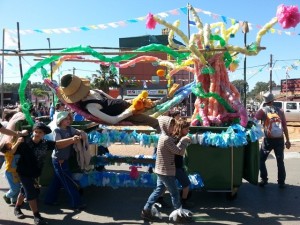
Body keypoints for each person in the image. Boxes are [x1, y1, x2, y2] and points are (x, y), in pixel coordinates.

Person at [13, 122, 83, 225]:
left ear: (44, 134)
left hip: (35, 173)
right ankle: (36, 215)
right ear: (33, 132)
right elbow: (11, 151)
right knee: (31, 193)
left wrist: (72, 140)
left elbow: (58, 143)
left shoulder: (45, 143)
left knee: (24, 191)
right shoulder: (25, 142)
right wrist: (18, 142)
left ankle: (17, 208)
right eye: (35, 131)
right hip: (23, 172)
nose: (37, 134)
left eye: (40, 132)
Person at [57, 74, 179, 132]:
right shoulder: (90, 107)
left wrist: (132, 101)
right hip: (130, 113)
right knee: (156, 122)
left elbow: (113, 100)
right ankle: (164, 149)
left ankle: (169, 96)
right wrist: (130, 111)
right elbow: (113, 120)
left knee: (154, 104)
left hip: (130, 105)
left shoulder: (95, 91)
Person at [141, 116, 193, 223]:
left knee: (158, 190)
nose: (173, 127)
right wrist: (183, 141)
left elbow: (173, 148)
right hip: (166, 171)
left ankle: (146, 210)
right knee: (174, 194)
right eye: (171, 125)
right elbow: (179, 152)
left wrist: (180, 141)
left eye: (173, 125)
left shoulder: (164, 137)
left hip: (161, 169)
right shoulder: (167, 139)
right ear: (164, 126)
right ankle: (179, 216)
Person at [44, 111, 87, 209]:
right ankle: (76, 203)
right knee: (68, 183)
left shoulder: (69, 129)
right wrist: (72, 140)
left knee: (57, 181)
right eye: (65, 119)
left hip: (64, 159)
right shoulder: (57, 130)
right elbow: (58, 144)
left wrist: (82, 132)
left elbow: (77, 131)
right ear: (60, 120)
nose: (68, 121)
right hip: (59, 159)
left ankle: (49, 199)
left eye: (69, 119)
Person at [255, 92, 291, 189]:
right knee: (280, 161)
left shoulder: (262, 110)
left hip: (268, 140)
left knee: (261, 159)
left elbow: (253, 120)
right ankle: (281, 182)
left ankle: (264, 179)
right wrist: (287, 140)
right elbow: (284, 126)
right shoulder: (280, 111)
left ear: (265, 101)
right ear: (273, 100)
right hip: (279, 139)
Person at [173, 118, 193, 208]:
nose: (188, 131)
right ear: (180, 129)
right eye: (186, 129)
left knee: (164, 185)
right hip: (176, 166)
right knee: (186, 184)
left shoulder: (177, 138)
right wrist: (184, 141)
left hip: (176, 165)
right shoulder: (177, 139)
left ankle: (160, 199)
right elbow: (178, 151)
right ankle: (183, 201)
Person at [1, 137, 23, 205]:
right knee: (16, 187)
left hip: (15, 172)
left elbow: (14, 139)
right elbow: (12, 151)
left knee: (16, 186)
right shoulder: (8, 153)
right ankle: (7, 196)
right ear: (6, 148)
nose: (8, 142)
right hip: (10, 172)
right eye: (7, 143)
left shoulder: (13, 148)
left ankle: (14, 200)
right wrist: (18, 142)